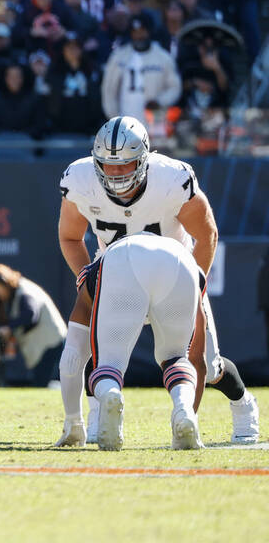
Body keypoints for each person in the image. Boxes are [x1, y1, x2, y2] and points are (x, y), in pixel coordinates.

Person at [55, 116, 258, 446]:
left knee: (207, 362)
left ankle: (239, 405)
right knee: (97, 350)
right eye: (108, 166)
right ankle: (96, 419)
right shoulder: (80, 178)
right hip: (116, 275)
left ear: (145, 159)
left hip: (173, 276)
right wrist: (84, 277)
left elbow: (206, 235)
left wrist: (196, 283)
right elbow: (69, 237)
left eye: (126, 165)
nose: (117, 173)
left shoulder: (170, 178)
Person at [78, 235, 207, 450]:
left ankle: (111, 394)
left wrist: (73, 419)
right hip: (181, 260)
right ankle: (183, 408)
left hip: (122, 258)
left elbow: (74, 345)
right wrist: (193, 409)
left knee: (109, 362)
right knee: (176, 356)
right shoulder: (188, 261)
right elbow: (198, 356)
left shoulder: (98, 268)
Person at [0, 264, 66, 388]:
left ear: (4, 283)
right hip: (44, 343)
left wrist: (8, 328)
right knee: (40, 384)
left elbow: (31, 315)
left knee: (41, 386)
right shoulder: (14, 292)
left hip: (50, 341)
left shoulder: (24, 291)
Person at [100, 11, 181, 119]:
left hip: (154, 123)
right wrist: (114, 117)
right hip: (125, 125)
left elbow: (175, 87)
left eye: (142, 31)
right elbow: (108, 90)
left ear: (149, 31)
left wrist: (160, 101)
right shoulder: (118, 57)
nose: (139, 35)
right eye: (135, 32)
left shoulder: (163, 57)